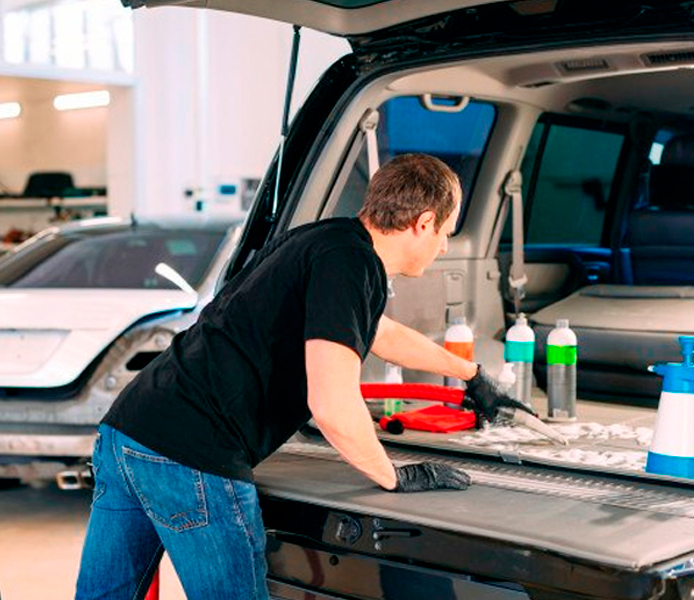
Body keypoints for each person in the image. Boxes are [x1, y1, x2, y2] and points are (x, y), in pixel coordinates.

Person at [74, 153, 528, 600]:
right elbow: (330, 403)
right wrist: (391, 475)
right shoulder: (353, 263)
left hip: (128, 429)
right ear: (424, 223)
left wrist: (471, 374)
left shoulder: (327, 240)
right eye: (446, 233)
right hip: (192, 452)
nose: (444, 247)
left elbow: (378, 332)